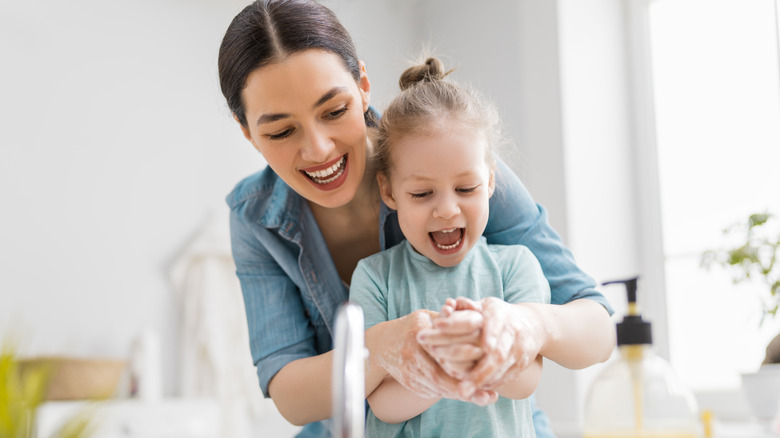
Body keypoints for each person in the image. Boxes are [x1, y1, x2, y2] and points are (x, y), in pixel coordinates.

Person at [218, 1, 616, 437]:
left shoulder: (451, 158)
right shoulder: (254, 217)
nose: (318, 150)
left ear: (363, 85)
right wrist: (383, 347)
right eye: (281, 131)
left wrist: (531, 324)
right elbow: (290, 394)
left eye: (334, 111)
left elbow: (596, 327)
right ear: (247, 132)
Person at [349, 56, 551, 437]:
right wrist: (447, 365)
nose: (446, 209)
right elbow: (383, 404)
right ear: (390, 192)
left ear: (490, 182)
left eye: (466, 188)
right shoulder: (375, 278)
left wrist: (465, 350)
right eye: (423, 193)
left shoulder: (515, 267)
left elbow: (526, 380)